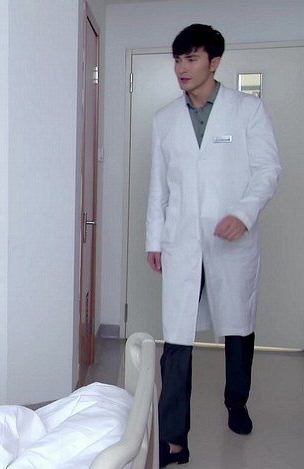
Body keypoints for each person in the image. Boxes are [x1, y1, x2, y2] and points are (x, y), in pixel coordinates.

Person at [145, 24, 281, 467]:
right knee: (176, 338)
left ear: (214, 62)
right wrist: (154, 239)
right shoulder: (165, 119)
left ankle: (236, 401)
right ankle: (174, 440)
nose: (182, 68)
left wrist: (243, 214)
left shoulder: (247, 110)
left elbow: (267, 170)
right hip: (181, 241)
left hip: (231, 240)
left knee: (237, 327)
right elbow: (159, 187)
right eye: (177, 59)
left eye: (191, 58)